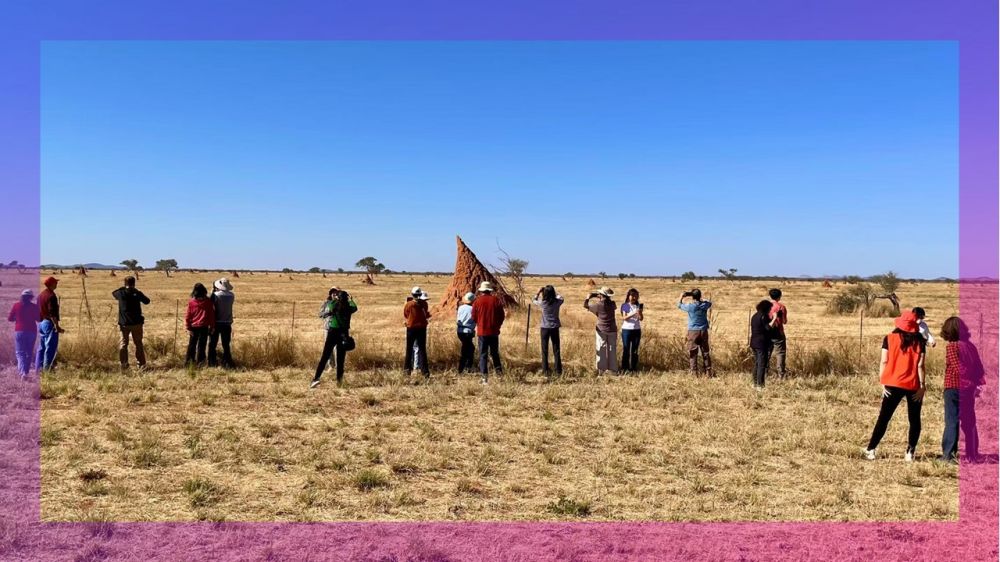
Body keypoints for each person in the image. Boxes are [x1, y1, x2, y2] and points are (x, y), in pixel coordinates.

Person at [864, 311, 926, 461]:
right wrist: (922, 386)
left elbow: (884, 361)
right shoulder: (920, 341)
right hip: (913, 384)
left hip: (892, 382)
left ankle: (871, 449)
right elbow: (920, 365)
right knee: (914, 419)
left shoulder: (889, 338)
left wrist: (883, 382)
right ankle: (910, 452)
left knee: (884, 418)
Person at [938, 316, 985, 463]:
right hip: (969, 389)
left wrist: (968, 380)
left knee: (952, 420)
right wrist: (975, 384)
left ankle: (948, 455)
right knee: (969, 421)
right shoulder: (970, 346)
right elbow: (980, 368)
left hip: (953, 387)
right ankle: (972, 454)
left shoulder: (952, 346)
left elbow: (958, 368)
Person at [312, 289, 357, 388]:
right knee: (340, 360)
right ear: (346, 298)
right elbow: (355, 307)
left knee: (325, 356)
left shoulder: (333, 305)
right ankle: (339, 382)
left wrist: (335, 298)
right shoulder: (349, 308)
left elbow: (330, 303)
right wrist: (351, 299)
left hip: (332, 332)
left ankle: (316, 379)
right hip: (343, 334)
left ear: (338, 298)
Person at [112, 276, 150, 371]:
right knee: (138, 343)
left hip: (124, 323)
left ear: (125, 283)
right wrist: (136, 291)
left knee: (123, 344)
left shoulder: (121, 293)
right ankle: (141, 365)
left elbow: (113, 293)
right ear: (134, 283)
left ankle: (124, 365)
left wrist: (123, 288)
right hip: (137, 323)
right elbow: (147, 301)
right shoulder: (137, 293)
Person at [471, 281, 505, 383]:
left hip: (482, 332)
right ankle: (499, 375)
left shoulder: (477, 301)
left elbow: (473, 317)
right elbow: (502, 316)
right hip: (494, 332)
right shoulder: (496, 300)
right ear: (490, 290)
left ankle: (484, 378)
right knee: (495, 353)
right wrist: (497, 325)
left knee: (483, 354)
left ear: (481, 291)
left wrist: (480, 323)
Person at [677, 288, 713, 376]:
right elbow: (709, 303)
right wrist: (701, 299)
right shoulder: (704, 305)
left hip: (693, 331)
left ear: (692, 297)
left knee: (693, 352)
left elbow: (679, 305)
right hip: (703, 330)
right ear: (700, 296)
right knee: (705, 352)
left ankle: (694, 372)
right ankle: (708, 372)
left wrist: (681, 297)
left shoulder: (690, 306)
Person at [532, 285, 564, 377]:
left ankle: (545, 371)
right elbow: (562, 298)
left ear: (544, 294)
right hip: (555, 327)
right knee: (556, 350)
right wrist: (554, 293)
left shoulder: (543, 303)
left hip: (545, 328)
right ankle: (558, 371)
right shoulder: (557, 302)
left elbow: (534, 300)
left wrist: (538, 292)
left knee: (544, 350)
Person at [585, 287, 618, 374]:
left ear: (601, 295)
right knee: (612, 349)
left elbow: (586, 305)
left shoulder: (598, 305)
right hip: (612, 329)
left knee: (601, 348)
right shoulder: (613, 304)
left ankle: (601, 369)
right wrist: (600, 296)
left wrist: (589, 297)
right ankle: (613, 369)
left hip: (601, 329)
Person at [8, 289, 39, 379]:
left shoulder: (16, 305)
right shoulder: (34, 306)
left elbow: (10, 318)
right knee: (29, 353)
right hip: (32, 331)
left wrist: (17, 318)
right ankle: (25, 372)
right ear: (31, 297)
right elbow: (38, 319)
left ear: (22, 296)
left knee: (20, 353)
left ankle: (22, 373)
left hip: (20, 331)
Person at [36, 276, 63, 373]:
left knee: (41, 347)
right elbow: (52, 313)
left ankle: (38, 369)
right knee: (50, 348)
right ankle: (47, 370)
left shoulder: (40, 295)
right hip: (49, 323)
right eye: (55, 282)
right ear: (51, 284)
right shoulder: (51, 296)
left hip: (41, 323)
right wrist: (56, 325)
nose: (57, 284)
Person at [403, 286, 431, 378]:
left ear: (412, 294)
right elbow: (426, 313)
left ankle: (407, 371)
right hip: (422, 328)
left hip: (411, 328)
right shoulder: (424, 304)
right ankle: (425, 372)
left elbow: (406, 314)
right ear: (420, 294)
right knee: (422, 350)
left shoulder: (409, 304)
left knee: (409, 349)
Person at [184, 283, 215, 366]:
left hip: (193, 327)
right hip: (204, 327)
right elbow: (211, 315)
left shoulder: (191, 302)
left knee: (191, 345)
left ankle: (189, 362)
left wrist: (188, 327)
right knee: (202, 346)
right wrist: (212, 327)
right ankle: (200, 363)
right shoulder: (208, 302)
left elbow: (188, 315)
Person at [209, 278, 236, 368]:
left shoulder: (215, 295)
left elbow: (211, 305)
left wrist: (212, 292)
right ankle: (227, 362)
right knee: (226, 344)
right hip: (227, 322)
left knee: (213, 344)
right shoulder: (232, 295)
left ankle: (212, 362)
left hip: (216, 322)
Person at [750, 300, 775, 389]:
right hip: (761, 343)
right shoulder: (763, 316)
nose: (770, 310)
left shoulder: (755, 316)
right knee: (761, 364)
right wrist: (774, 318)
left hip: (754, 342)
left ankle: (754, 383)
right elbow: (768, 328)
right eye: (770, 308)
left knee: (757, 363)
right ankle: (760, 385)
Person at [620, 288, 643, 373]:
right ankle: (625, 368)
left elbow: (641, 318)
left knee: (635, 350)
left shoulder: (638, 305)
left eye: (636, 296)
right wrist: (634, 313)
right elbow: (624, 317)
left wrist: (640, 313)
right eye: (632, 296)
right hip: (627, 330)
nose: (634, 298)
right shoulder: (625, 305)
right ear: (628, 296)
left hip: (636, 330)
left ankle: (633, 368)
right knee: (626, 349)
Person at [768, 288, 788, 377]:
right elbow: (784, 321)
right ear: (779, 296)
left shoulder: (766, 306)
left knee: (767, 352)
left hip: (767, 331)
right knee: (780, 353)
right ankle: (781, 374)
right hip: (778, 332)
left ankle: (764, 372)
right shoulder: (781, 307)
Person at [456, 292, 477, 374]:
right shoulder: (473, 309)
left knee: (468, 348)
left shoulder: (460, 307)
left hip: (460, 331)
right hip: (467, 332)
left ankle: (465, 367)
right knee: (467, 350)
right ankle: (464, 368)